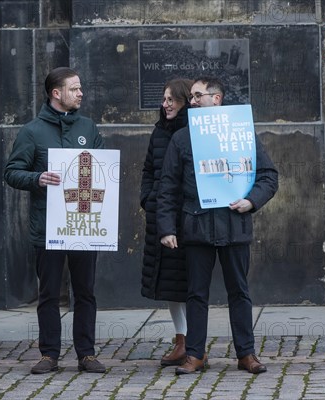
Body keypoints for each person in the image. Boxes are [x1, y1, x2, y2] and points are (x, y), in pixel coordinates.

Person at [157, 76, 278, 375]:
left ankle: (246, 354)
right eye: (193, 97)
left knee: (239, 291)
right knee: (196, 293)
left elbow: (268, 176)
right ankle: (195, 355)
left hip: (234, 225)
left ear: (217, 99)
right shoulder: (182, 138)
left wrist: (251, 201)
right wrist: (167, 227)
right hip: (196, 227)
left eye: (198, 96)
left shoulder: (242, 132)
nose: (193, 101)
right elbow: (168, 187)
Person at [4, 67, 106, 374]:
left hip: (84, 224)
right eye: (74, 89)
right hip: (48, 226)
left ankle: (86, 354)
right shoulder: (32, 131)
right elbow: (11, 172)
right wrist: (37, 178)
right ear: (56, 93)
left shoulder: (88, 126)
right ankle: (49, 353)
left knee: (85, 291)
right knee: (48, 293)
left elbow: (102, 166)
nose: (80, 93)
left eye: (80, 88)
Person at [140, 78, 192, 366]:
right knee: (169, 284)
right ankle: (181, 341)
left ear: (184, 100)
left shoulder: (194, 131)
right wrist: (148, 198)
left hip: (186, 216)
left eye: (171, 99)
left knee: (188, 281)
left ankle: (194, 343)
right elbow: (148, 169)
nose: (165, 104)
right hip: (160, 215)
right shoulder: (159, 131)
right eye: (164, 99)